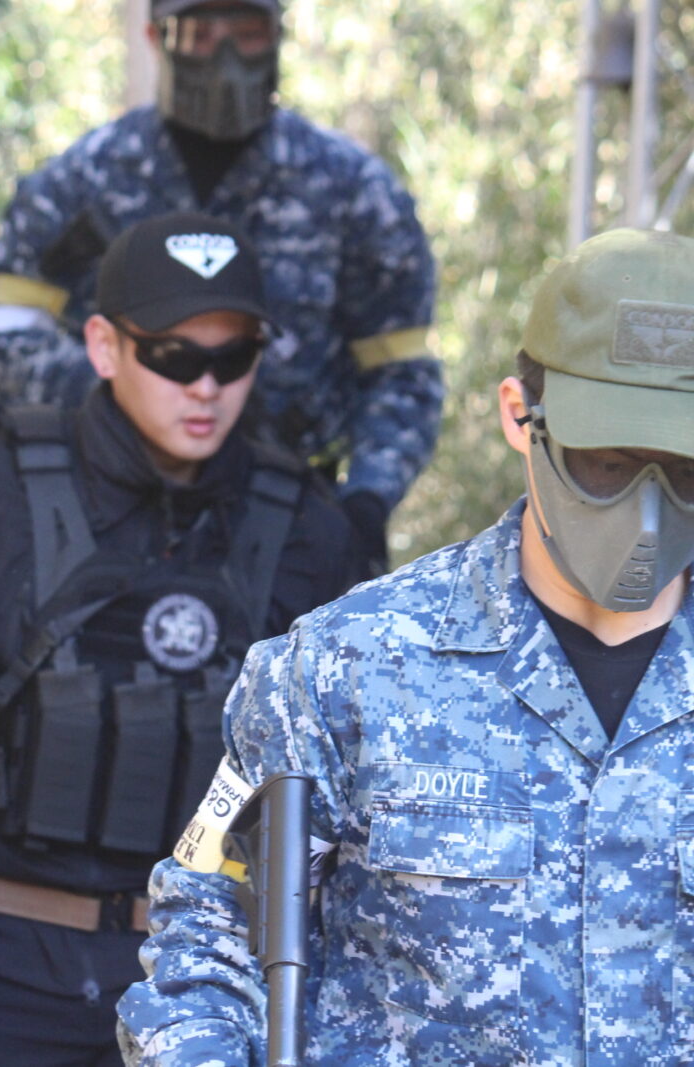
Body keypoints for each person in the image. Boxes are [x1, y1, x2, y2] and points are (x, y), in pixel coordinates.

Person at [117, 227, 694, 1066]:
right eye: (605, 463)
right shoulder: (341, 668)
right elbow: (205, 934)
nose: (645, 512)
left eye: (684, 470)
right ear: (518, 415)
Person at [0, 213, 357, 1064]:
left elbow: (357, 744)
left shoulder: (312, 532)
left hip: (208, 974)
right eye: (174, 356)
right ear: (104, 346)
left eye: (234, 356)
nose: (206, 387)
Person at [0, 0, 439, 574]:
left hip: (287, 527)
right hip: (100, 520)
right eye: (200, 35)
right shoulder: (81, 181)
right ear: (156, 37)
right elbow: (2, 346)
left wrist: (365, 501)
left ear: (278, 36)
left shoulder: (352, 190)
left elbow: (402, 373)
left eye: (248, 33)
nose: (225, 58)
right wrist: (131, 402)